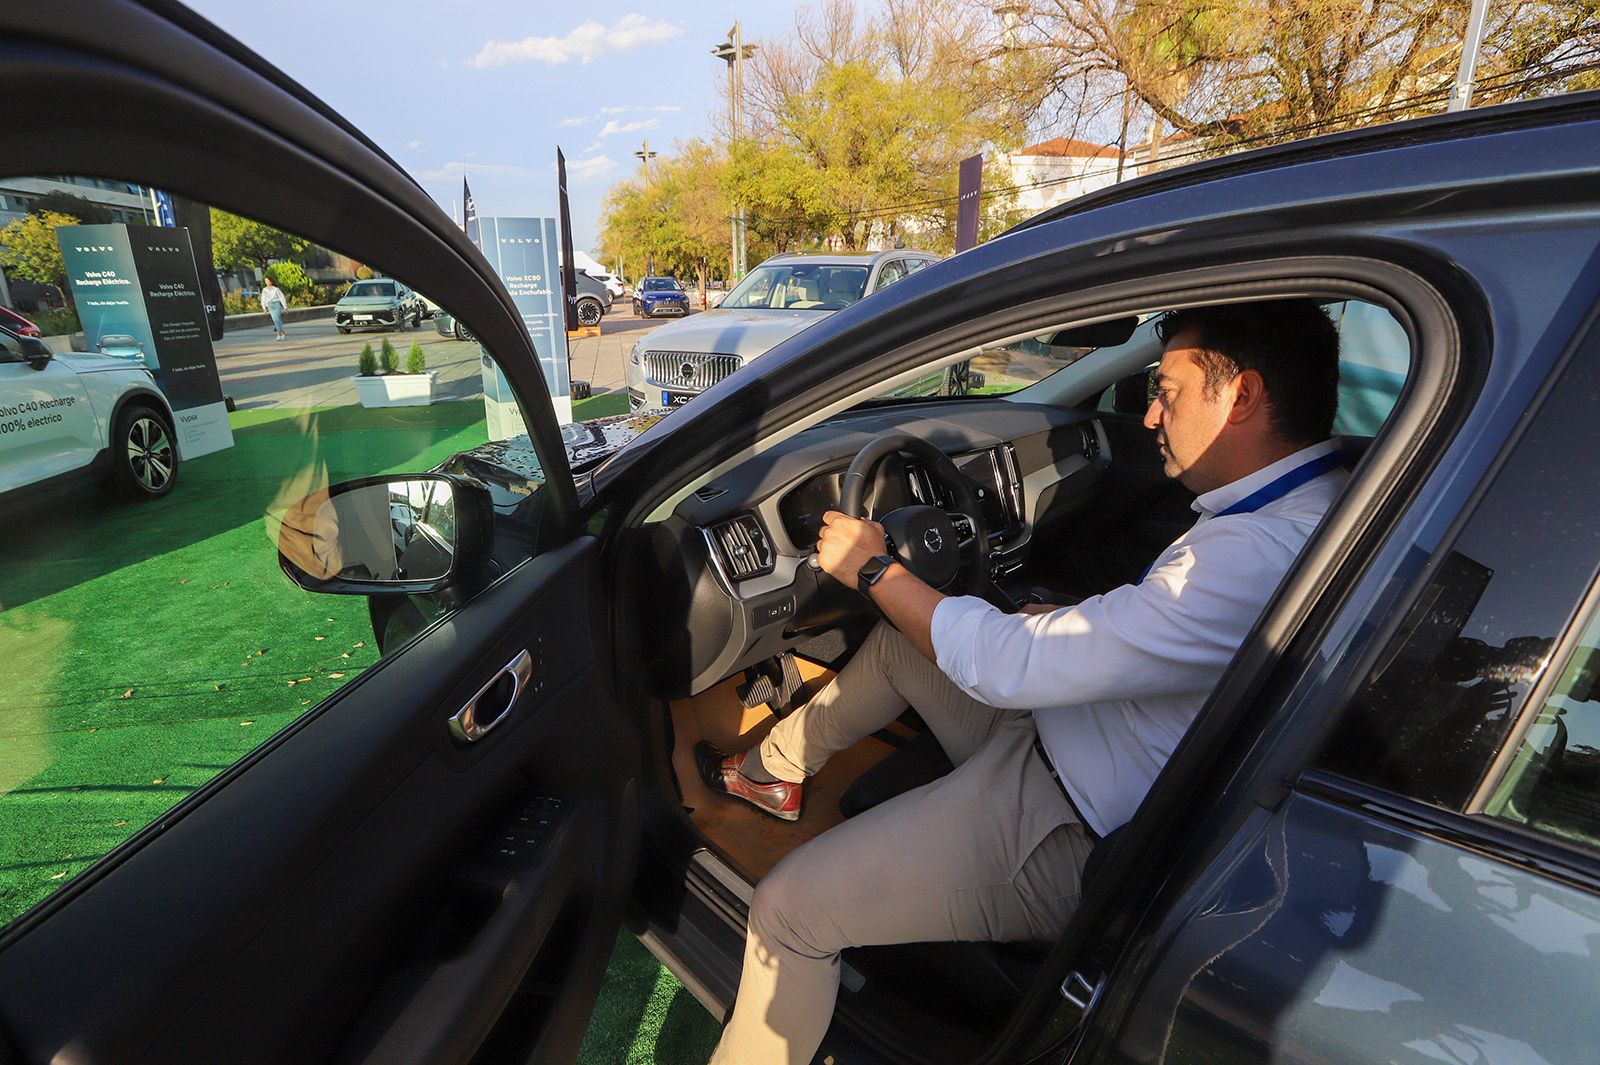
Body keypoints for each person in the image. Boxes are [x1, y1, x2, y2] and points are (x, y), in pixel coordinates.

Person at [697, 299, 1348, 1065]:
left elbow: (1006, 664)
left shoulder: (1250, 553)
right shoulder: (1313, 503)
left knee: (786, 911)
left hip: (1065, 821)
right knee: (906, 647)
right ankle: (774, 771)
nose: (1147, 418)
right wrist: (1084, 616)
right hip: (1082, 732)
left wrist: (874, 569)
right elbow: (1178, 633)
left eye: (1165, 391)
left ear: (1239, 395)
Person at [260, 276, 288, 341]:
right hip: (270, 305)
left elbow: (281, 297)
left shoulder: (276, 289)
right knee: (275, 320)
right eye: (265, 281)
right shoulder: (265, 290)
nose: (267, 282)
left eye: (268, 281)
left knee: (277, 318)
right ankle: (282, 332)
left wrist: (285, 307)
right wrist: (264, 308)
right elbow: (263, 299)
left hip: (276, 304)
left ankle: (279, 333)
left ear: (271, 281)